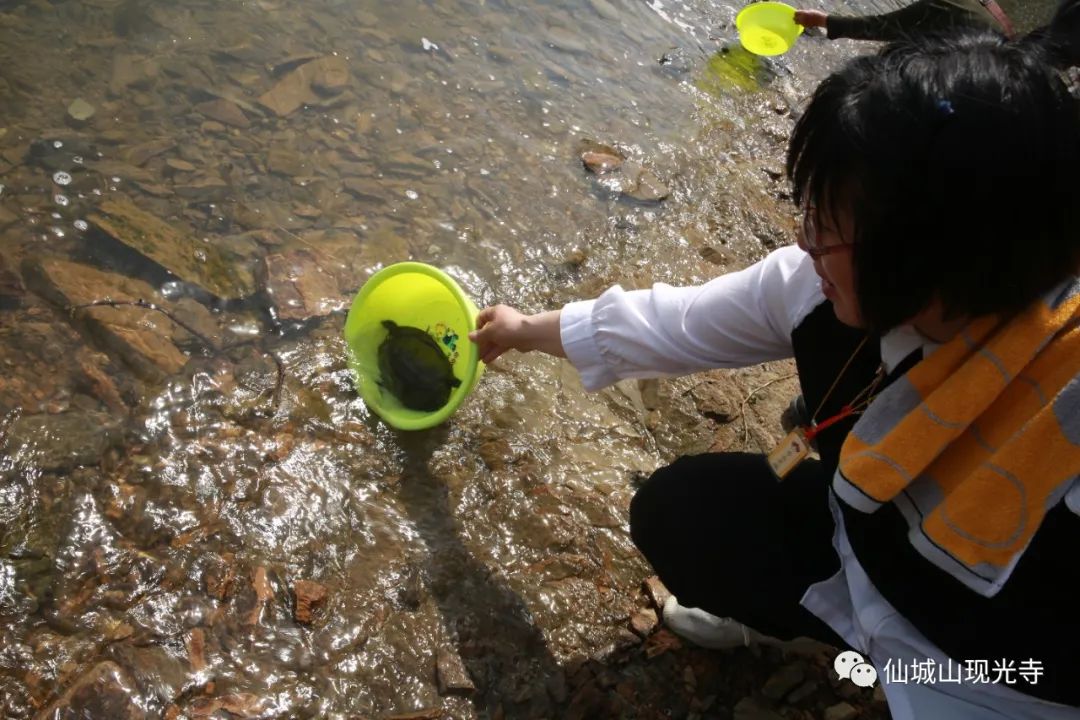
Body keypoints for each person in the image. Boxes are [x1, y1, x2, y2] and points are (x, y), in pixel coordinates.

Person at [468, 26, 1080, 720]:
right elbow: (672, 323)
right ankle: (793, 625)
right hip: (862, 555)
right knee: (682, 511)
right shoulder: (821, 287)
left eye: (825, 222)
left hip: (992, 683)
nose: (802, 237)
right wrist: (525, 331)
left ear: (936, 257)